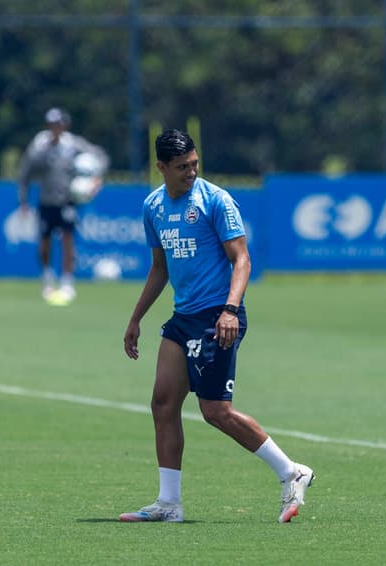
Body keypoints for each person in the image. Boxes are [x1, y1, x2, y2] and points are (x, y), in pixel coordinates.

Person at [120, 129, 314, 524]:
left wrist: (230, 309)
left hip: (217, 317)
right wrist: (136, 317)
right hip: (183, 318)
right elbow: (160, 268)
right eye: (181, 168)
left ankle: (291, 472)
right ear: (161, 168)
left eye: (194, 164)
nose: (191, 172)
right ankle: (169, 504)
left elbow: (241, 259)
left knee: (215, 411)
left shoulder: (215, 200)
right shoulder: (153, 207)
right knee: (163, 403)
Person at [16, 107, 109, 304]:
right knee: (44, 243)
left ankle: (67, 283)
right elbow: (25, 172)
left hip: (67, 201)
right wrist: (23, 200)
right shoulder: (39, 145)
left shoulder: (73, 144)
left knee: (68, 241)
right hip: (46, 201)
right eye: (52, 124)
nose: (55, 128)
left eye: (59, 124)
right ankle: (47, 280)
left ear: (64, 125)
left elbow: (99, 156)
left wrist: (96, 180)